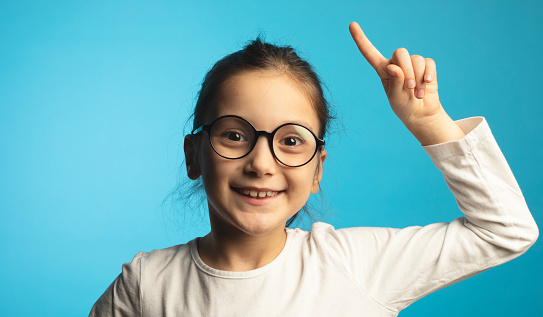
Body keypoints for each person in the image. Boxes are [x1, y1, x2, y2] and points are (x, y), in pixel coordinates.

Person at [89, 22, 538, 316]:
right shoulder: (146, 285)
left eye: (290, 141)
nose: (261, 163)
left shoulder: (356, 265)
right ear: (193, 155)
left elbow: (506, 231)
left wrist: (427, 122)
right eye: (234, 135)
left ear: (317, 168)